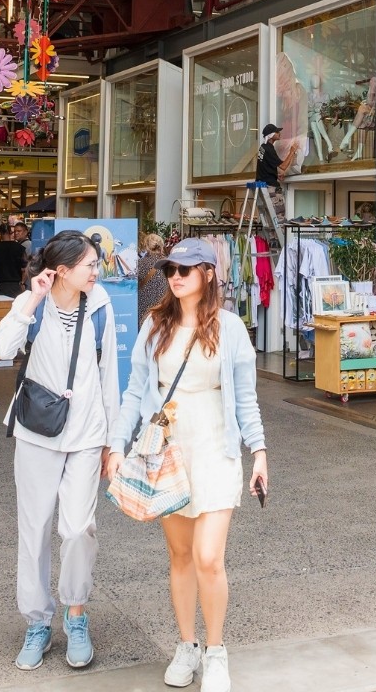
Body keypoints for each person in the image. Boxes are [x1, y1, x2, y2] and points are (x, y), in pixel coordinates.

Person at [109, 237, 267, 692]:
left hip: (216, 449)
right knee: (180, 556)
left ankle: (216, 653)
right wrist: (118, 445)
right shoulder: (155, 325)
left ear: (209, 273)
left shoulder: (232, 327)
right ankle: (187, 645)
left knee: (208, 558)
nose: (175, 278)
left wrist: (259, 453)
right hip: (167, 452)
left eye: (185, 269)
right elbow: (135, 391)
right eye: (170, 271)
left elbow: (246, 401)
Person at [0, 231, 119, 673]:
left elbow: (109, 378)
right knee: (35, 527)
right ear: (62, 269)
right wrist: (30, 299)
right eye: (89, 264)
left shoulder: (100, 304)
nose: (97, 271)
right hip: (37, 432)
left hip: (86, 434)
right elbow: (1, 349)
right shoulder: (36, 303)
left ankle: (76, 613)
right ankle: (37, 621)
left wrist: (113, 443)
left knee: (79, 527)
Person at [253, 124, 285, 227]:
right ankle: (280, 242)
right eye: (277, 132)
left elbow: (266, 165)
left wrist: (275, 174)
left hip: (263, 185)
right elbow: (283, 166)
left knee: (270, 218)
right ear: (271, 135)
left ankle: (273, 241)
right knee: (279, 217)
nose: (279, 133)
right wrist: (292, 152)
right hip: (270, 187)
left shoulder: (263, 147)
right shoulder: (269, 148)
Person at [0, 222, 29, 297]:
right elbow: (25, 269)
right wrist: (22, 282)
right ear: (11, 232)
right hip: (16, 286)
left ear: (0, 233)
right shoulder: (20, 248)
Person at [135, 233, 168, 324]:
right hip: (164, 306)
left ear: (146, 246)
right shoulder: (168, 263)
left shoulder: (139, 263)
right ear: (161, 245)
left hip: (144, 308)